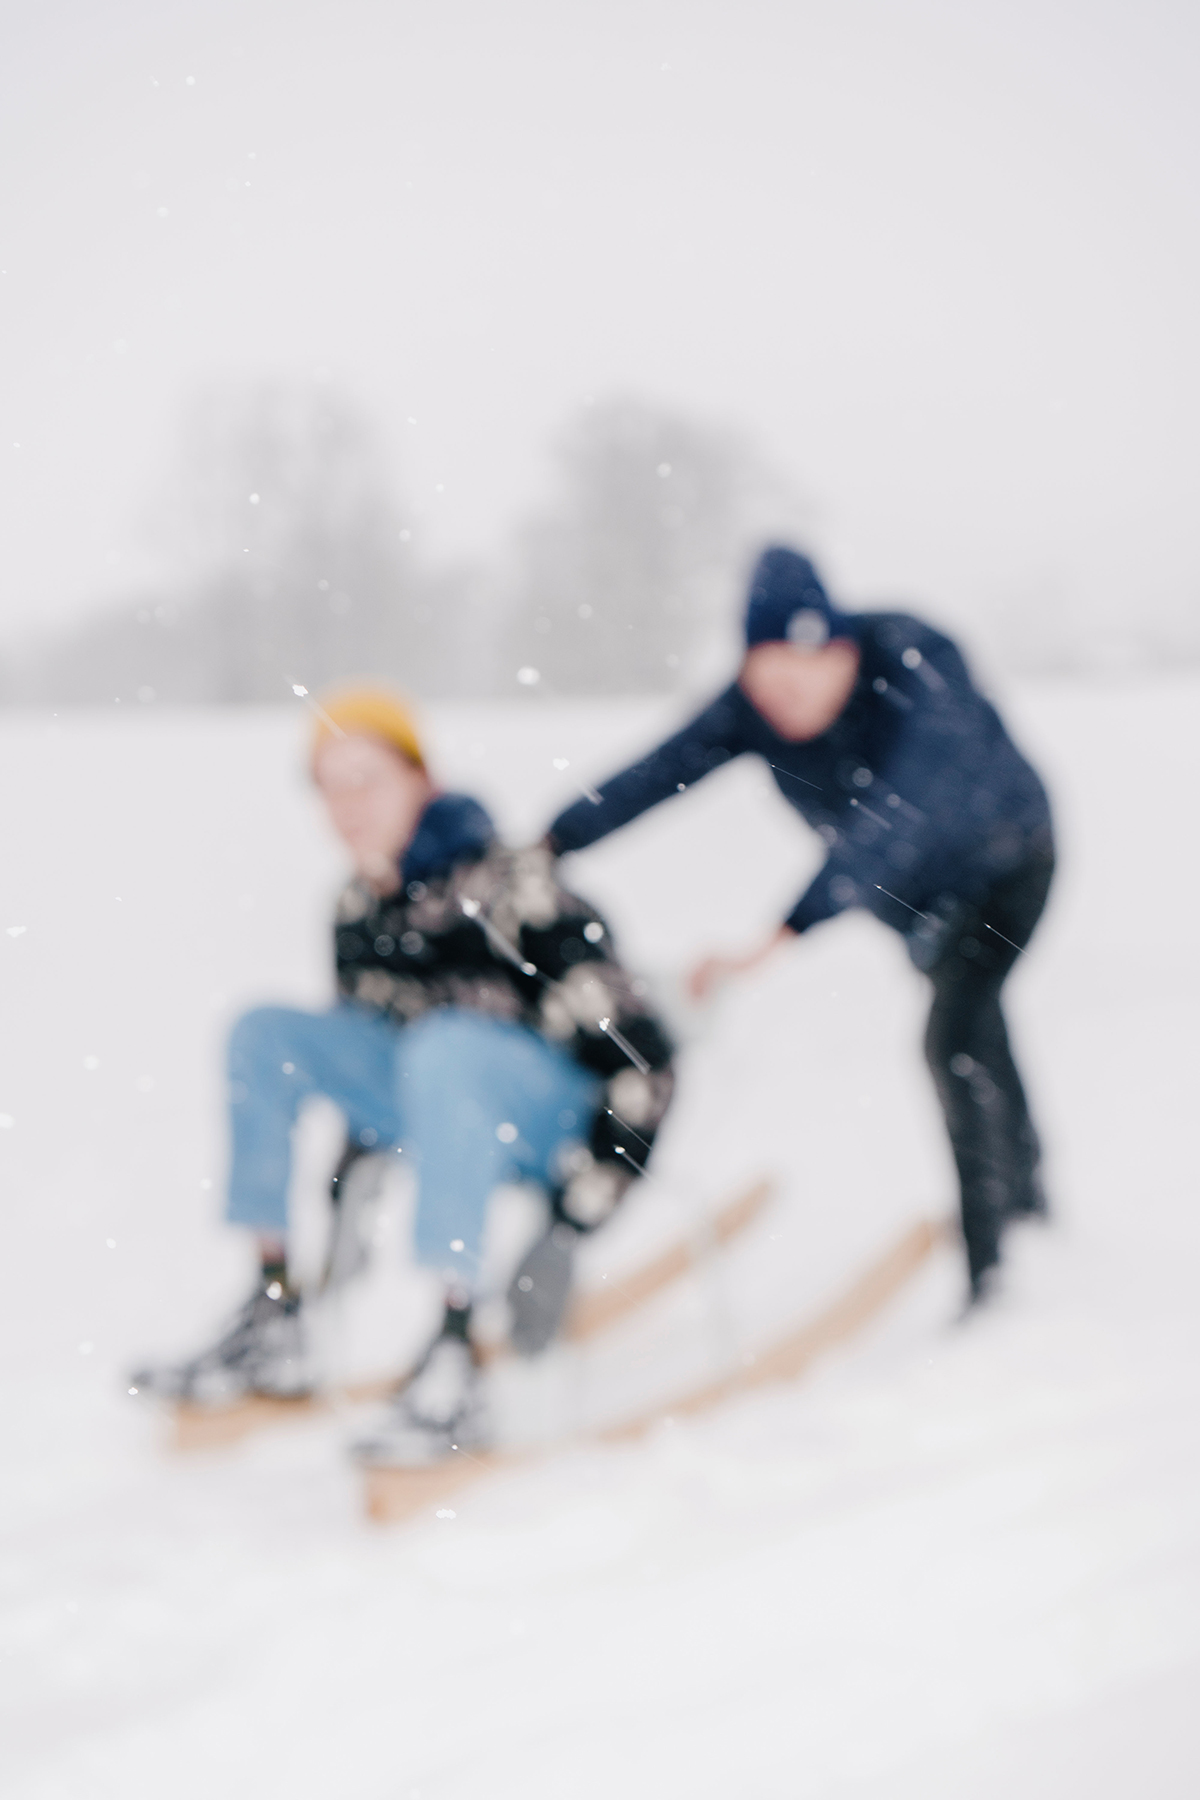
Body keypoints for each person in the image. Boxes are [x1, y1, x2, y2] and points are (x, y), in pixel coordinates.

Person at [134, 688, 674, 1462]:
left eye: (367, 778)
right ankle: (276, 1308)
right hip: (434, 1106)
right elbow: (365, 1051)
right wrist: (347, 1191)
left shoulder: (515, 889)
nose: (347, 804)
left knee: (446, 1045)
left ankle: (455, 1353)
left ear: (422, 779)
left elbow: (644, 1069)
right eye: (329, 784)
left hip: (544, 1119)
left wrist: (566, 1227)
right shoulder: (358, 908)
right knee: (264, 1034)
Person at [546, 547, 1054, 1308]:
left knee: (952, 1030)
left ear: (843, 652)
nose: (784, 702)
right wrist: (553, 840)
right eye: (765, 678)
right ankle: (1024, 1182)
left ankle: (991, 1266)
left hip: (1007, 862)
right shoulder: (751, 709)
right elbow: (660, 769)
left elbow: (899, 813)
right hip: (907, 898)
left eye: (802, 676)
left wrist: (788, 928)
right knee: (972, 1016)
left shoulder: (917, 663)